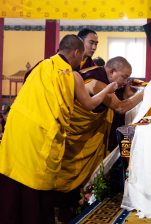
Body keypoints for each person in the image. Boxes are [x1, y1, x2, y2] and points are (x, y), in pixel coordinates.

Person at [0, 34, 118, 224]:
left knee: (13, 174)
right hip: (40, 134)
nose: (82, 61)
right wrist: (107, 90)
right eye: (82, 56)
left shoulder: (41, 66)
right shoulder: (71, 75)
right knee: (35, 181)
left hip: (17, 127)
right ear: (77, 52)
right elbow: (89, 104)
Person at [54, 56, 144, 220]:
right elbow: (120, 107)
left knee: (86, 169)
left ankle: (76, 203)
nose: (126, 81)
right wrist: (146, 93)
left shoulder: (96, 74)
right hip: (76, 134)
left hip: (87, 133)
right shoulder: (97, 81)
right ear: (111, 71)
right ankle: (65, 206)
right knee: (71, 168)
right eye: (124, 77)